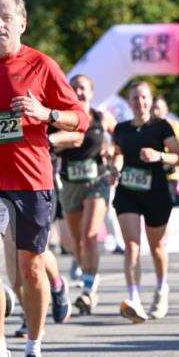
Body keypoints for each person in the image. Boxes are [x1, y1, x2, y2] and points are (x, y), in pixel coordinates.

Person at [0, 0, 87, 357]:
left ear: (21, 23)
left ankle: (34, 350)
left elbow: (80, 119)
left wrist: (45, 113)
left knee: (31, 270)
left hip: (33, 181)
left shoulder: (42, 65)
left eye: (6, 17)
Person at [112, 81, 179, 322]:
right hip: (128, 191)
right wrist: (114, 169)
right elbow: (118, 155)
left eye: (143, 97)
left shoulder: (162, 126)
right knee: (131, 246)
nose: (139, 102)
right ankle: (134, 300)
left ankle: (162, 289)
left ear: (150, 100)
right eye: (134, 98)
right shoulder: (121, 129)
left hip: (156, 192)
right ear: (129, 102)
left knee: (156, 247)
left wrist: (158, 155)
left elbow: (178, 158)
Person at [56, 74, 117, 314]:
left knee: (90, 235)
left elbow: (122, 138)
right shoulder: (62, 118)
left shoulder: (102, 118)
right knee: (76, 241)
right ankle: (87, 276)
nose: (79, 92)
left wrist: (113, 151)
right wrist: (63, 143)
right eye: (74, 88)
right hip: (70, 183)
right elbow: (48, 144)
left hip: (97, 181)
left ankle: (89, 289)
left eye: (83, 88)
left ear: (91, 92)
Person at [152, 95, 179, 206]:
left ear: (166, 109)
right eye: (152, 108)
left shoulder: (175, 126)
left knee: (165, 208)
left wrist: (177, 155)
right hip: (151, 174)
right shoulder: (147, 126)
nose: (155, 112)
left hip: (170, 175)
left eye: (158, 108)